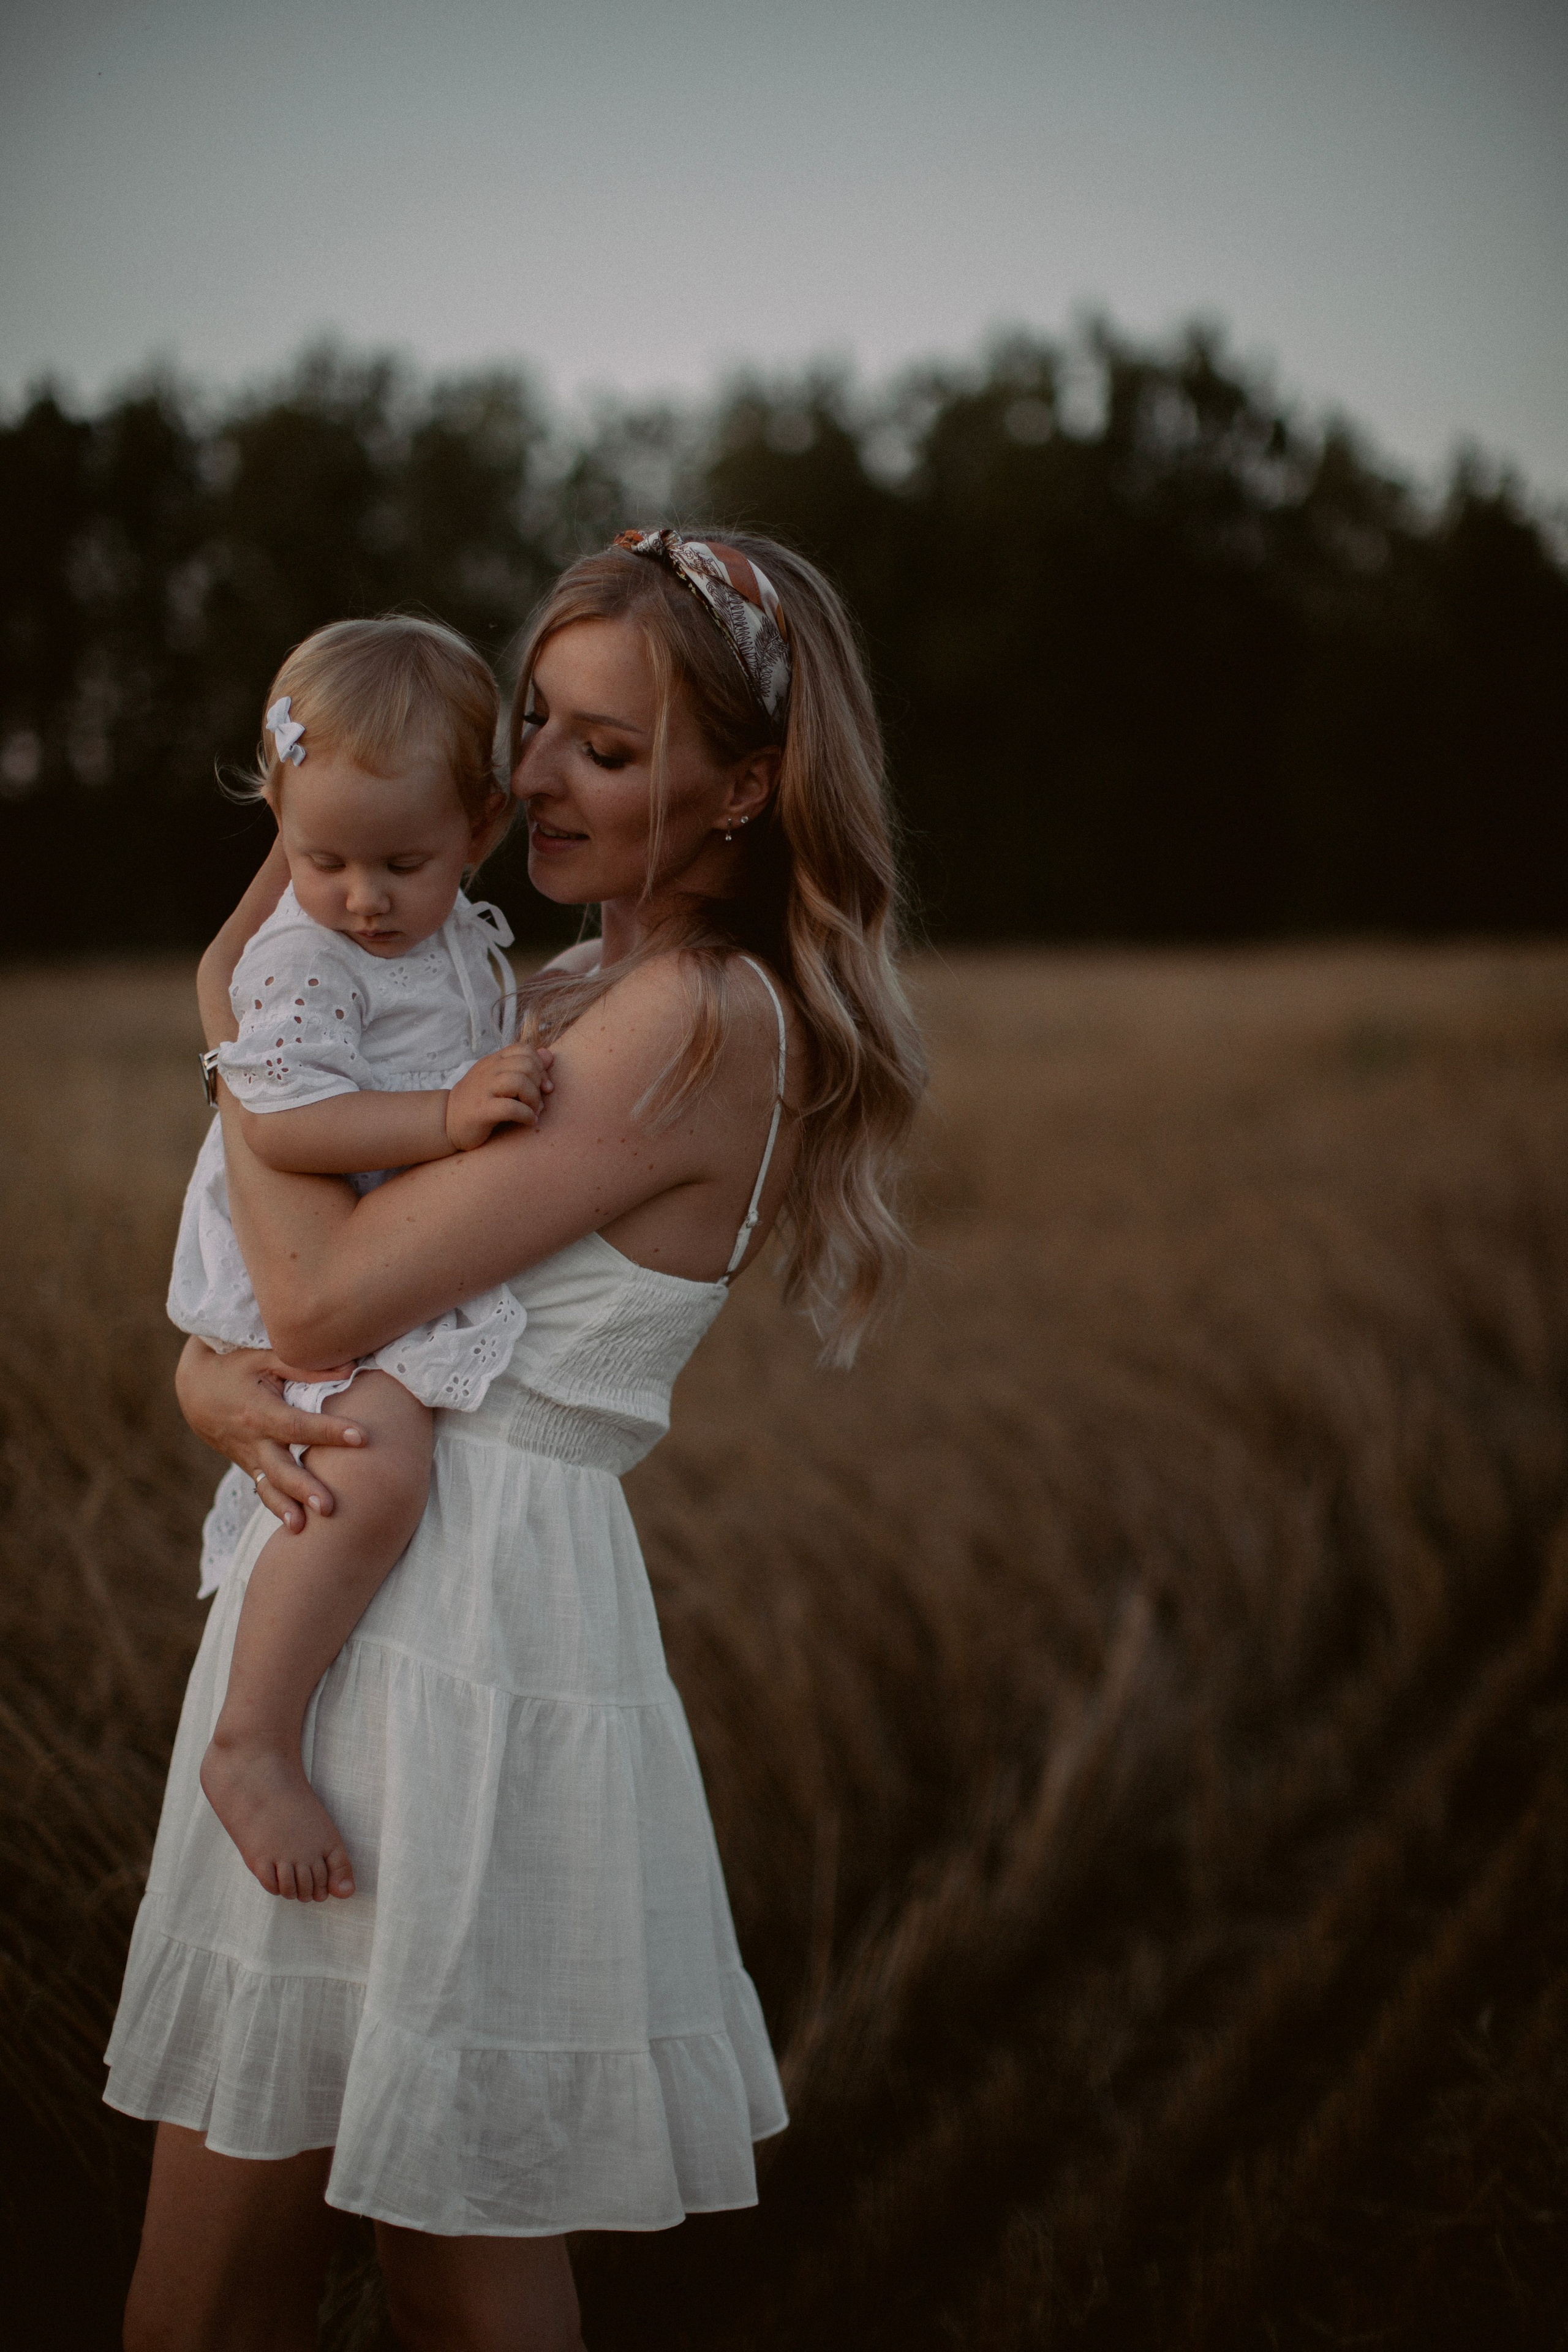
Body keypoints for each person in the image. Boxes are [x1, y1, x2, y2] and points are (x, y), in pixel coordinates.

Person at [107, 530, 927, 2352]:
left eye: (610, 751)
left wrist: (247, 1052)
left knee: (336, 2271)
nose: (535, 776)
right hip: (373, 1590)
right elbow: (285, 1326)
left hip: (447, 1643)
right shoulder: (531, 994)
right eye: (538, 721)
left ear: (746, 787)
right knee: (375, 2252)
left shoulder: (684, 1022)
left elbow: (317, 1304)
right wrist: (203, 1383)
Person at [170, 616, 555, 1912]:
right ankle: (252, 1739)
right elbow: (279, 1119)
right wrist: (446, 1117)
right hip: (305, 1247)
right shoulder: (299, 959)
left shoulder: (440, 933)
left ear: (481, 829)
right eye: (318, 858)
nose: (360, 898)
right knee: (371, 1463)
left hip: (376, 1239)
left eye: (403, 861)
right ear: (280, 827)